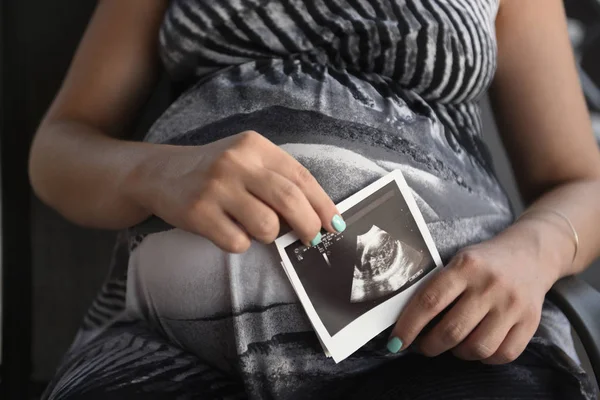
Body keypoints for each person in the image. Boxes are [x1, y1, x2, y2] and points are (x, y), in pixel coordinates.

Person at [29, 0, 600, 399]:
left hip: (444, 338)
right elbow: (57, 149)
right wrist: (157, 172)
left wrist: (535, 251)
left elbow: (580, 181)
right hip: (164, 348)